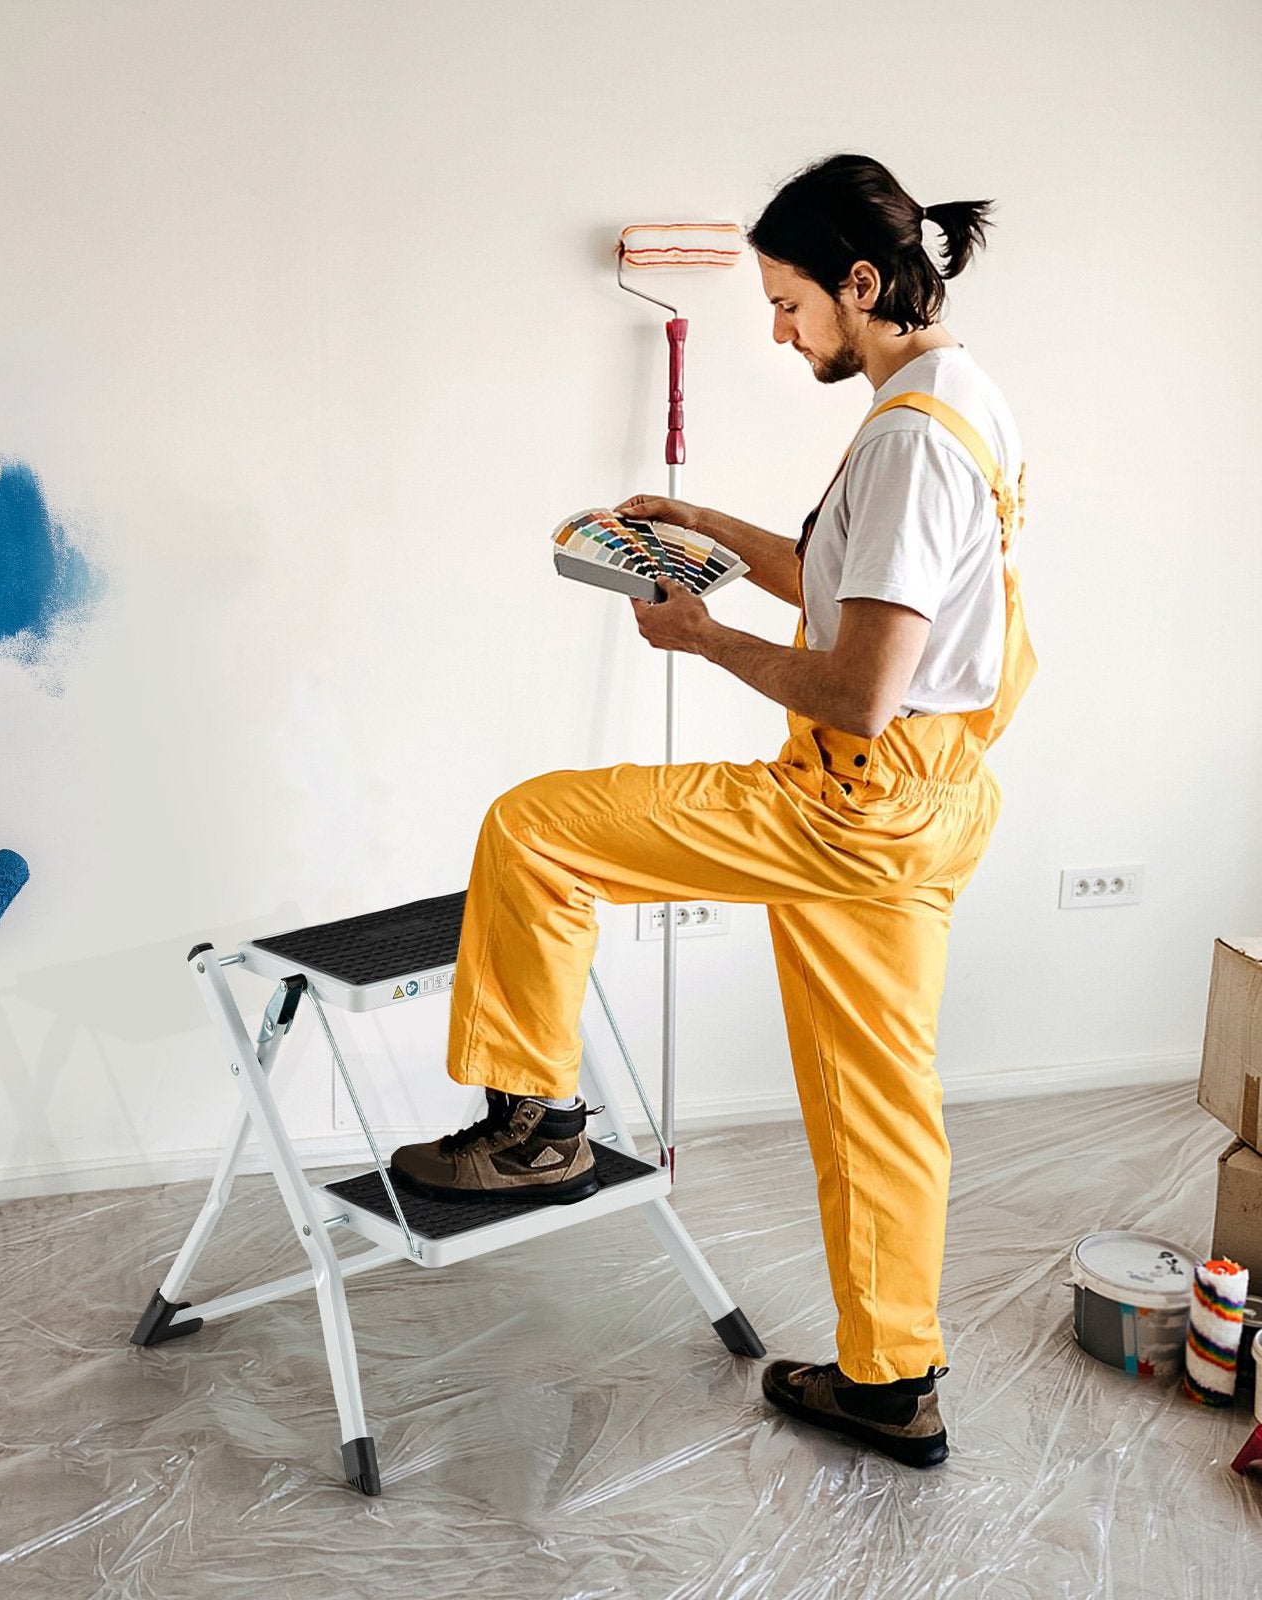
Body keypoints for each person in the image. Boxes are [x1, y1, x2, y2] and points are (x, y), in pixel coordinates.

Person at [390, 154, 1035, 1467]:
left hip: (847, 800)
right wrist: (708, 529)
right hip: (930, 806)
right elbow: (860, 584)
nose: (780, 330)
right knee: (881, 1106)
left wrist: (704, 638)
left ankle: (535, 1131)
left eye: (792, 303)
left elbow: (859, 687)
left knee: (536, 825)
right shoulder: (956, 396)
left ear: (861, 282)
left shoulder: (908, 441)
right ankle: (890, 1380)